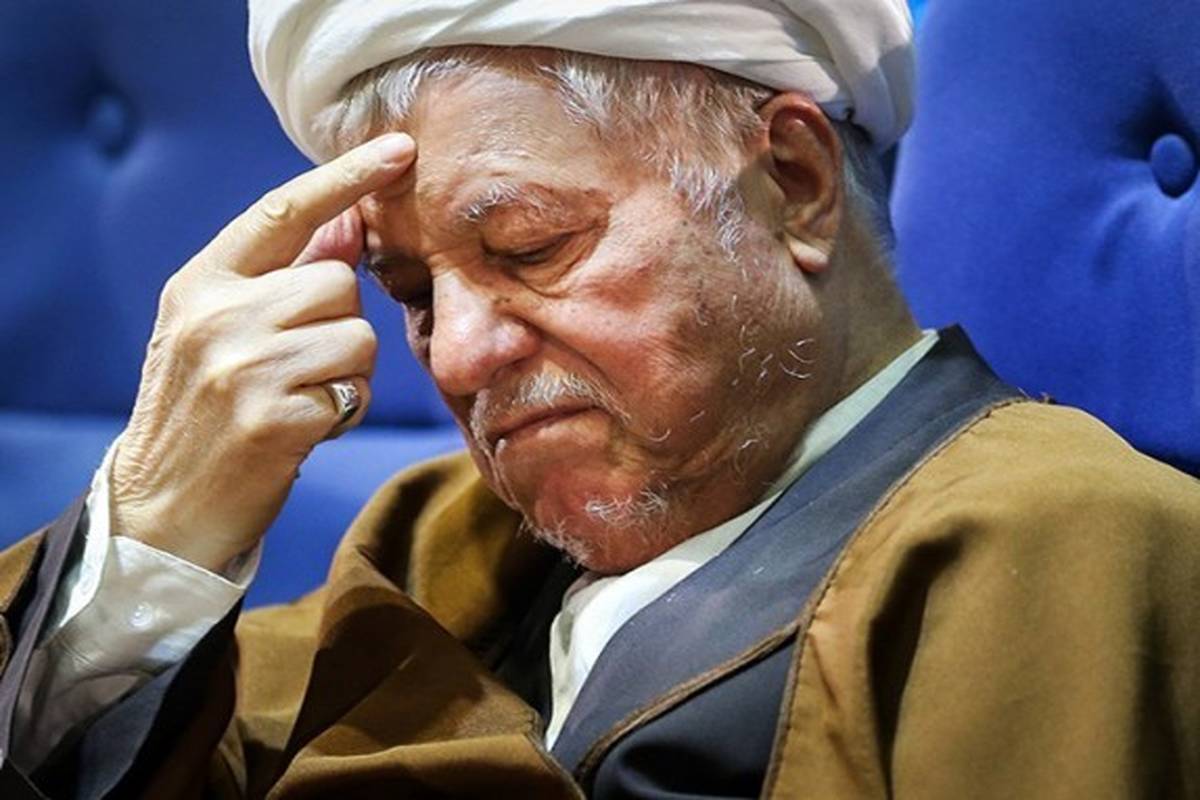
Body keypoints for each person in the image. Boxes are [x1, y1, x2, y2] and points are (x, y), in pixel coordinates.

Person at [1, 1, 1198, 797]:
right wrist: (155, 531)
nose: (455, 356)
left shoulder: (1055, 539)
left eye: (530, 247)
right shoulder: (437, 537)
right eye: (411, 291)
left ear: (793, 183)